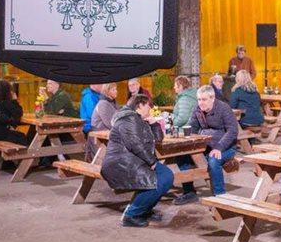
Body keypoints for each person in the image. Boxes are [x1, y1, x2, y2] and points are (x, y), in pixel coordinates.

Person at [101, 94, 173, 228]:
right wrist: (152, 162)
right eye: (148, 106)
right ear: (139, 106)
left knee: (167, 176)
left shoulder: (139, 119)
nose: (150, 109)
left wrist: (154, 124)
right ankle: (131, 215)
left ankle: (144, 210)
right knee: (159, 180)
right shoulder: (128, 119)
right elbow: (134, 144)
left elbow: (158, 140)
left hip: (136, 160)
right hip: (122, 163)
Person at [173, 85, 240, 205]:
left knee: (213, 160)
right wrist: (182, 136)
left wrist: (219, 147)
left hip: (226, 146)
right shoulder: (197, 109)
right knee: (182, 156)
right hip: (206, 146)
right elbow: (192, 126)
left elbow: (233, 131)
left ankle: (220, 196)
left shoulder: (223, 108)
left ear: (212, 98)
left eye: (204, 99)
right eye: (199, 99)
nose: (200, 103)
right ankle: (189, 192)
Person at [0, 80, 27, 146]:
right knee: (21, 137)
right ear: (6, 91)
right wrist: (15, 100)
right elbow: (18, 113)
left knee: (17, 135)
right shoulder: (5, 103)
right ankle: (30, 156)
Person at [86, 82, 119, 159]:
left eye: (116, 89)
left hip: (107, 134)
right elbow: (110, 123)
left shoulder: (113, 102)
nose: (116, 91)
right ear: (107, 91)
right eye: (113, 89)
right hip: (99, 135)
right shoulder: (103, 103)